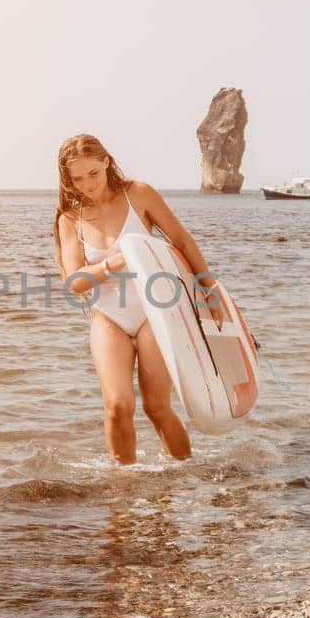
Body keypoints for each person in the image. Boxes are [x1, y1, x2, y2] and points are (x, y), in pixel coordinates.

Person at [53, 133, 218, 464]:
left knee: (156, 407)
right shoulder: (71, 219)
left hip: (154, 312)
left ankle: (186, 476)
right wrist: (115, 261)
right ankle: (124, 489)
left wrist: (210, 293)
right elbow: (76, 282)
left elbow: (183, 243)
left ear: (106, 162)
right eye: (77, 178)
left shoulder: (138, 195)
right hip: (109, 316)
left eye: (93, 174)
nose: (87, 184)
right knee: (117, 406)